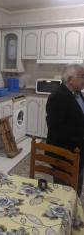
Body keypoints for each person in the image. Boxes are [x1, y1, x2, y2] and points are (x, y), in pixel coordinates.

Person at [46, 64, 84, 196]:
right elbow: (56, 129)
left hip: (78, 153)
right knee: (63, 193)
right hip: (64, 156)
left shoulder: (78, 93)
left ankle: (74, 208)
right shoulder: (57, 97)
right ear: (70, 79)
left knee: (77, 186)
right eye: (82, 77)